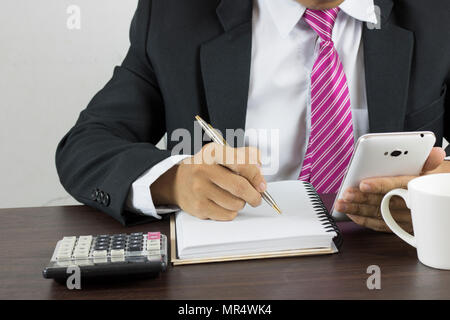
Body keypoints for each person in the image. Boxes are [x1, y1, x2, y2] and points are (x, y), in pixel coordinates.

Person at [56, 0, 450, 231]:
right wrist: (174, 181)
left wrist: (441, 193)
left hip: (392, 267)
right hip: (235, 273)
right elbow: (87, 144)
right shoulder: (174, 15)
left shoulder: (437, 15)